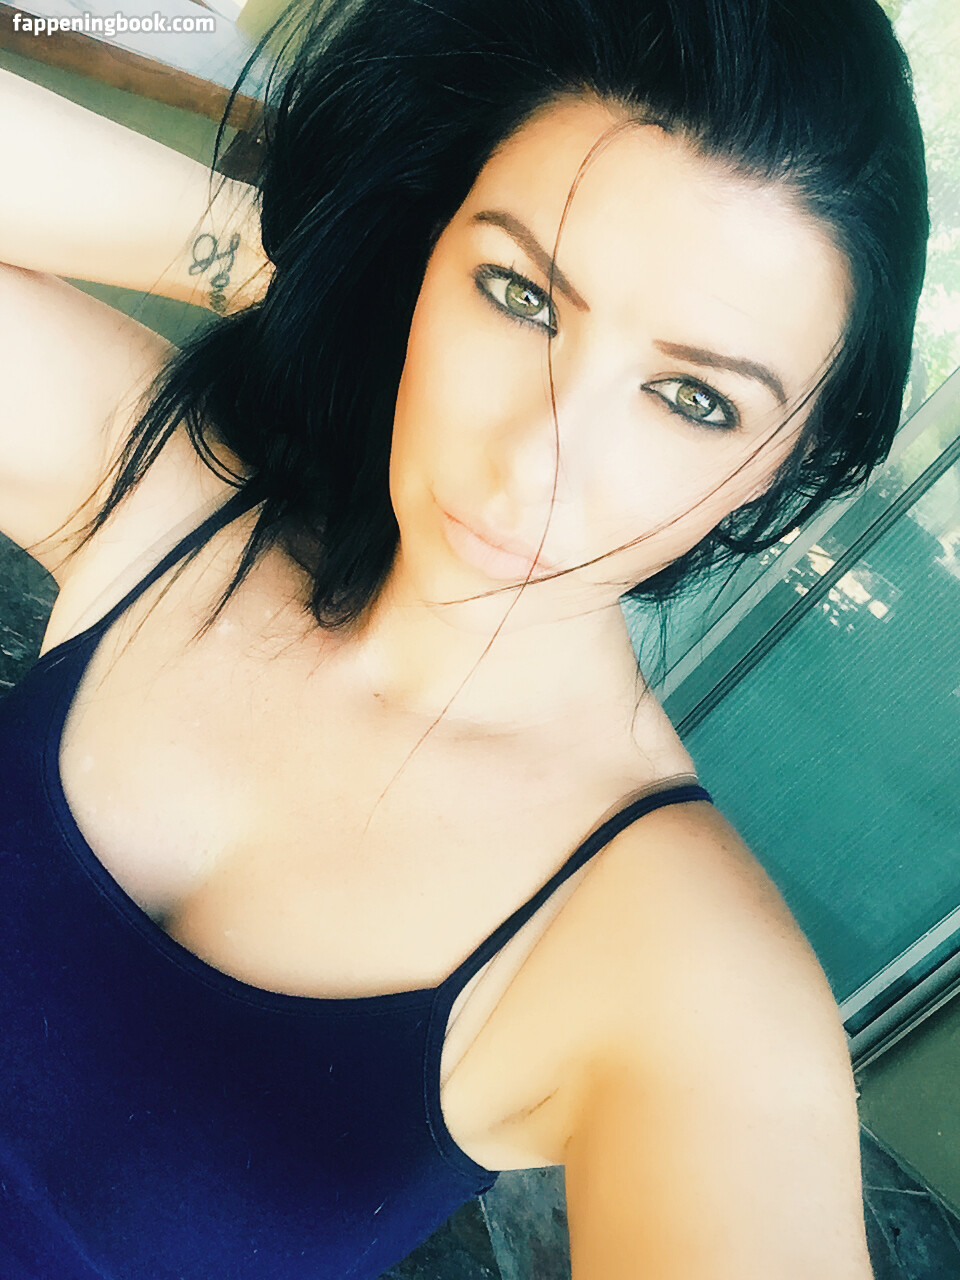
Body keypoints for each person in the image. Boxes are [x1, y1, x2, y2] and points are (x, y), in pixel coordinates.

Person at [0, 0, 928, 1276]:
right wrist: (329, 263)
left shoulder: (673, 961)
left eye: (694, 397)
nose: (536, 461)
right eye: (520, 293)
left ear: (786, 463)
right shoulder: (171, 509)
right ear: (427, 252)